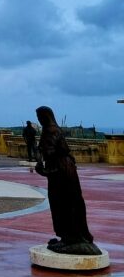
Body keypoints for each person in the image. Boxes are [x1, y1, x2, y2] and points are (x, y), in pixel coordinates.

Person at [34, 106, 101, 255]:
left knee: (62, 203)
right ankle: (72, 236)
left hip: (60, 170)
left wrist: (42, 168)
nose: (38, 120)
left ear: (45, 117)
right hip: (66, 169)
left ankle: (71, 238)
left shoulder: (50, 131)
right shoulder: (55, 129)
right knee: (71, 202)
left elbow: (49, 152)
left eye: (39, 117)